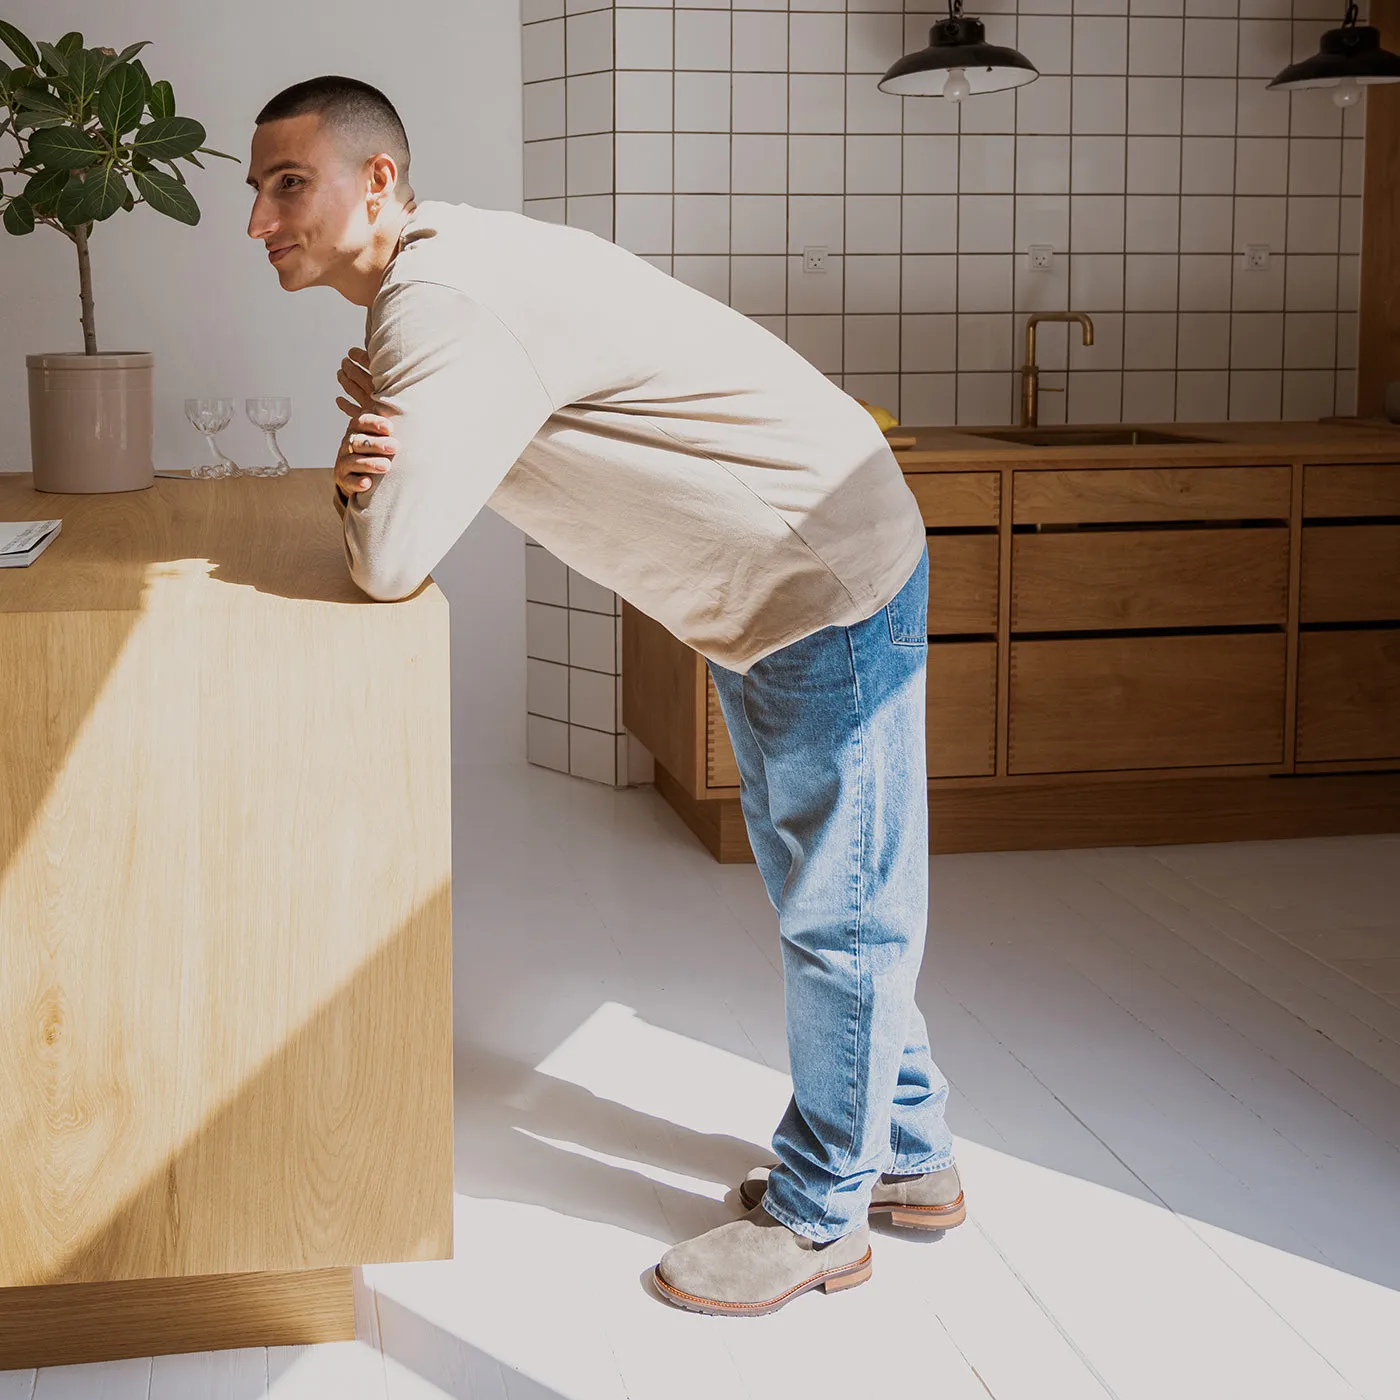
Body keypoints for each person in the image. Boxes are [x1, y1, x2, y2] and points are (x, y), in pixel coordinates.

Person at [246, 75, 966, 1318]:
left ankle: (820, 1211)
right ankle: (910, 1153)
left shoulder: (441, 300)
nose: (258, 221)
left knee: (840, 912)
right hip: (776, 577)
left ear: (377, 181)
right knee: (830, 890)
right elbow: (428, 471)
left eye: (286, 184)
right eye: (255, 191)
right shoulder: (441, 285)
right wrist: (386, 459)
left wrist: (370, 480)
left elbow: (389, 556)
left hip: (816, 573)